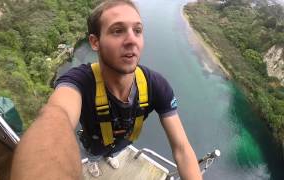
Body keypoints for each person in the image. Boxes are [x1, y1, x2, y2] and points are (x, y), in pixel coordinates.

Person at [11, 0, 202, 179]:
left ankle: (111, 156)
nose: (131, 40)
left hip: (123, 142)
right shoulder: (80, 81)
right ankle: (94, 163)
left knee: (115, 151)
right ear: (95, 42)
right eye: (117, 31)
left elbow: (182, 148)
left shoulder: (156, 86)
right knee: (93, 156)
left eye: (137, 30)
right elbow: (56, 115)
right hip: (94, 144)